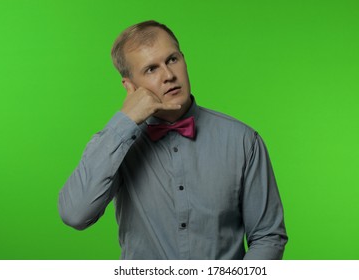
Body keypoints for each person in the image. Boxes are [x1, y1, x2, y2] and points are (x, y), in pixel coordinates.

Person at [58, 20, 288, 260]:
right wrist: (124, 121)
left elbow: (268, 237)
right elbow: (75, 214)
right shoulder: (114, 147)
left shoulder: (244, 141)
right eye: (151, 69)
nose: (168, 75)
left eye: (172, 60)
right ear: (130, 86)